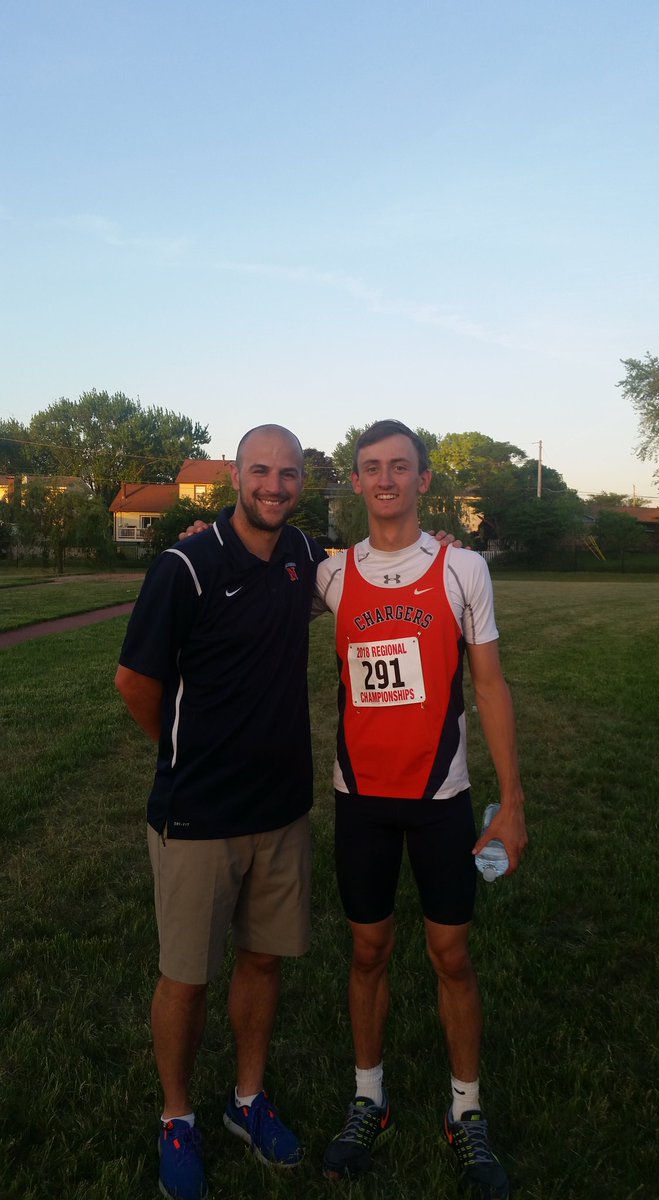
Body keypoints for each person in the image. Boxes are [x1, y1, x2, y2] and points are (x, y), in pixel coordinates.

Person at [312, 420, 527, 1200]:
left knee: (450, 957)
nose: (384, 481)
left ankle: (465, 1111)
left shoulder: (461, 568)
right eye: (370, 468)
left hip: (442, 800)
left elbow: (491, 685)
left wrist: (512, 802)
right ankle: (368, 1097)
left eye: (398, 467)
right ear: (356, 481)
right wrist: (207, 536)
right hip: (360, 801)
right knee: (366, 951)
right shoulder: (330, 576)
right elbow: (256, 568)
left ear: (422, 479)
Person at [115, 425, 327, 1200]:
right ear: (236, 476)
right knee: (186, 977)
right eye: (261, 471)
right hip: (198, 815)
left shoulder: (303, 555)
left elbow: (368, 574)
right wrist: (185, 754)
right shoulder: (186, 565)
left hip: (280, 811)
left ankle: (246, 1099)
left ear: (302, 481)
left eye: (289, 473)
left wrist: (433, 542)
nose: (274, 485)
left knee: (263, 960)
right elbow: (135, 682)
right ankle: (178, 1117)